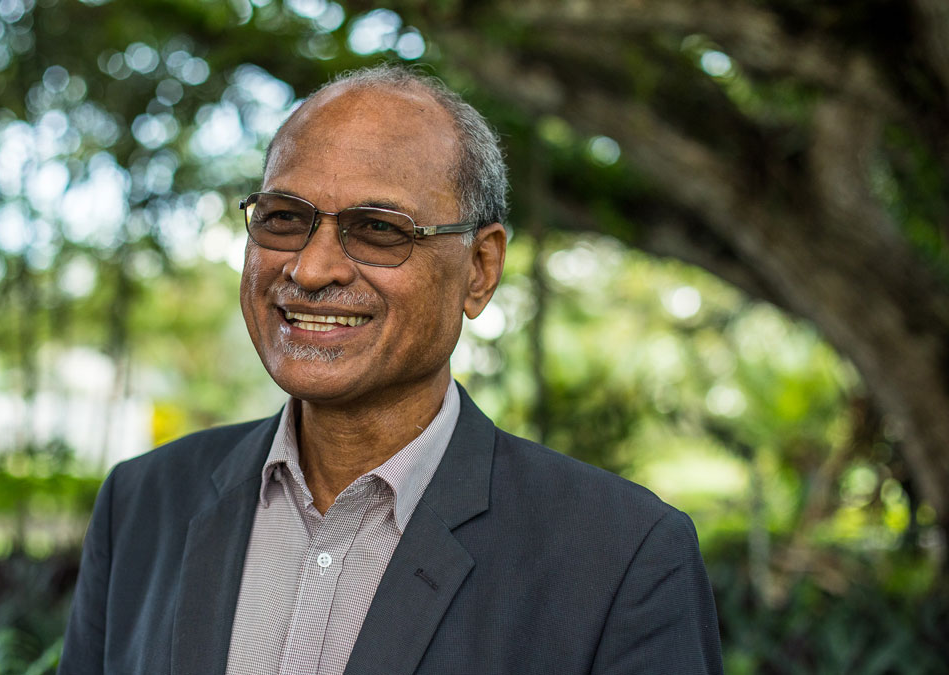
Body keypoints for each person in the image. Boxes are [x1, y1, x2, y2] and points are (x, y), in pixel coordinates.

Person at [59, 64, 723, 675]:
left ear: (481, 270)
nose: (312, 268)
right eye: (285, 218)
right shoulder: (142, 506)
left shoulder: (620, 557)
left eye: (378, 229)